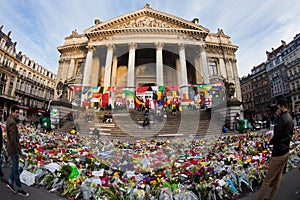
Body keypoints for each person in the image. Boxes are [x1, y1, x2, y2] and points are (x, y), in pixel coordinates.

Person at [257, 99, 294, 200]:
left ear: (282, 107)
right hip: (285, 151)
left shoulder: (282, 119)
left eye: (278, 108)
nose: (277, 110)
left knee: (267, 181)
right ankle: (271, 198)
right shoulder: (290, 117)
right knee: (278, 178)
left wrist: (270, 140)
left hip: (278, 153)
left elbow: (277, 138)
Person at [6, 105, 29, 196]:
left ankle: (10, 183)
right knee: (16, 171)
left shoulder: (10, 120)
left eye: (18, 113)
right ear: (12, 112)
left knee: (13, 166)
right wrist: (19, 152)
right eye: (16, 112)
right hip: (13, 149)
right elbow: (13, 140)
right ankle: (19, 189)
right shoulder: (12, 122)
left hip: (11, 148)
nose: (17, 114)